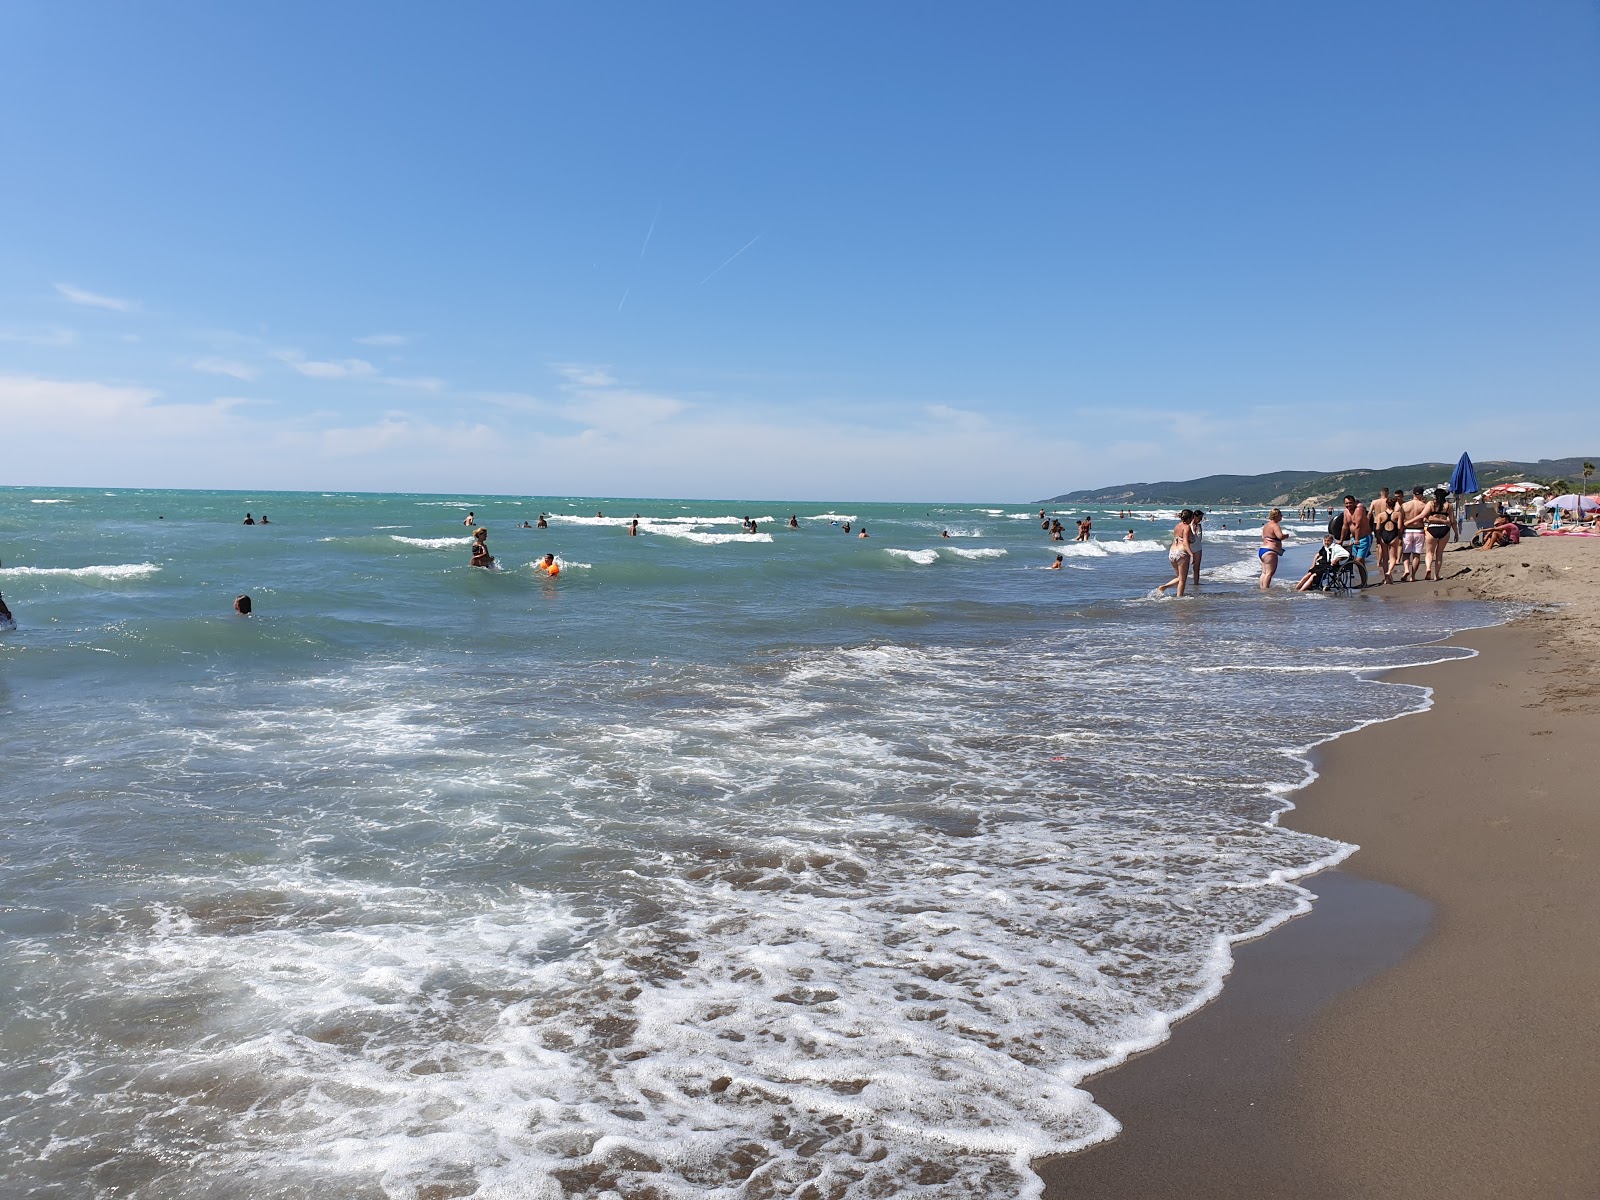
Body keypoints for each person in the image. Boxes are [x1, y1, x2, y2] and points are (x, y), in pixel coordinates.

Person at [1156, 509, 1194, 597]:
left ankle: (1164, 587)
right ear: (1189, 518)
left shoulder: (1177, 526)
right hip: (1181, 553)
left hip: (1172, 552)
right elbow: (1185, 542)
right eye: (1192, 518)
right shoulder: (1187, 527)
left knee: (1180, 577)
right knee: (1182, 580)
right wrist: (1191, 554)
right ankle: (1178, 596)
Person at [1422, 489, 1455, 581]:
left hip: (1432, 528)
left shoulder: (1431, 504)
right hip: (1444, 529)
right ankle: (1436, 575)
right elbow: (1452, 521)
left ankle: (1428, 568)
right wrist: (1456, 533)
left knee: (1429, 552)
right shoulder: (1449, 506)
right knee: (1439, 554)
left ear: (1435, 495)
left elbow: (1424, 516)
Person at [1371, 488, 1402, 585]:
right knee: (1393, 557)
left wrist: (1378, 538)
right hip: (1393, 535)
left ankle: (1386, 578)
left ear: (1386, 504)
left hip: (1384, 536)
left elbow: (1377, 528)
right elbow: (1400, 527)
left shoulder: (1380, 515)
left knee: (1385, 557)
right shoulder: (1398, 514)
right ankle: (1389, 572)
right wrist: (1400, 537)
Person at [1340, 495, 1371, 588]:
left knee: (1358, 561)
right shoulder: (1346, 512)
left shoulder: (1359, 509)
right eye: (1346, 503)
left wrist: (1357, 539)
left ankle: (1364, 582)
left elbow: (1358, 525)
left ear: (1354, 502)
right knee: (1360, 562)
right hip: (1354, 539)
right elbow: (1345, 526)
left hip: (1364, 538)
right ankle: (1364, 582)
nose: (1348, 505)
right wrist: (1341, 540)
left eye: (1350, 503)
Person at [1400, 486, 1429, 582]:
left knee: (1406, 554)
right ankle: (1413, 576)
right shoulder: (1424, 506)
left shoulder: (1405, 505)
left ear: (1413, 494)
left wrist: (1400, 533)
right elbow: (1426, 519)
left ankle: (1406, 569)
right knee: (1416, 555)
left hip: (1407, 530)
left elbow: (1400, 520)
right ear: (1422, 494)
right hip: (1419, 531)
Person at [1259, 507, 1286, 589]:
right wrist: (1286, 535)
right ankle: (1266, 589)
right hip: (1270, 551)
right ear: (1276, 515)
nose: (1282, 516)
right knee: (1269, 573)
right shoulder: (1275, 525)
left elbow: (1263, 537)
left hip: (1263, 550)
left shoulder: (1266, 525)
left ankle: (1262, 588)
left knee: (1264, 573)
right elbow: (1280, 536)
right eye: (1280, 515)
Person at [1188, 510, 1205, 586]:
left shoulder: (1199, 526)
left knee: (1196, 567)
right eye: (1200, 518)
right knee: (1185, 567)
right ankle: (1183, 582)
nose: (1201, 520)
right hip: (1189, 548)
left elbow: (1200, 538)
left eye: (1202, 518)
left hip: (1198, 548)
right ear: (1195, 517)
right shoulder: (1188, 525)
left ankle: (1196, 584)